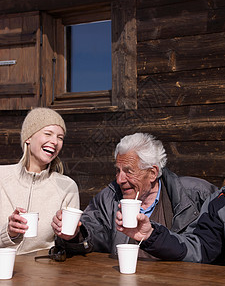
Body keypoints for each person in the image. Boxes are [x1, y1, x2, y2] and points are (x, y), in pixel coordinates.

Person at [52, 133, 216, 258]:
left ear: (152, 173)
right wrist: (75, 234)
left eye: (128, 172)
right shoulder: (109, 198)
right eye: (118, 170)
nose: (119, 179)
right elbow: (91, 232)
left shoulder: (196, 195)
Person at [0, 107, 79, 255]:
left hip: (42, 271)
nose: (55, 142)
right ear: (28, 138)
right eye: (48, 134)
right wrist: (8, 233)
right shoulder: (1, 177)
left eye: (60, 137)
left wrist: (71, 235)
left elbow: (68, 244)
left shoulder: (67, 186)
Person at [116, 187, 225, 265]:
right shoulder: (219, 201)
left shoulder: (195, 191)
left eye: (129, 172)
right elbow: (200, 249)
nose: (120, 179)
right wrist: (151, 235)